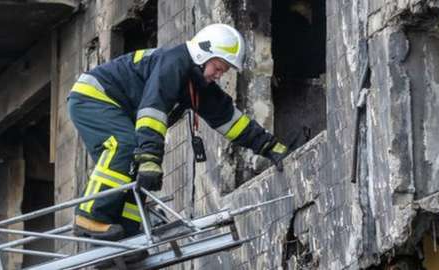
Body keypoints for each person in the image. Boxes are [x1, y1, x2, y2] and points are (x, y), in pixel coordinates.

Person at [68, 24, 288, 241]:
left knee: (132, 166)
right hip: (93, 96)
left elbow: (230, 120)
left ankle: (125, 237)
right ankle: (89, 216)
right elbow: (152, 111)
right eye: (218, 68)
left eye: (224, 71)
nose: (219, 75)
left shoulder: (197, 84)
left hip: (115, 107)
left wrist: (270, 147)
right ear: (204, 54)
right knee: (125, 146)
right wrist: (149, 158)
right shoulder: (173, 62)